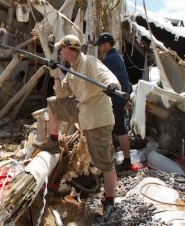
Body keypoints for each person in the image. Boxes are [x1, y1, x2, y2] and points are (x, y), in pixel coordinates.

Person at [33, 34, 120, 210]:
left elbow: (108, 77)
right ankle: (53, 141)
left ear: (67, 48)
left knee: (105, 163)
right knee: (53, 103)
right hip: (83, 112)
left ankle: (110, 200)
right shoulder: (72, 70)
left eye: (61, 49)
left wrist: (112, 86)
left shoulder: (89, 62)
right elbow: (61, 95)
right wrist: (56, 73)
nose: (60, 53)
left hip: (97, 118)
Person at [96, 32, 133, 171]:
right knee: (115, 128)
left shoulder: (110, 58)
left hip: (117, 98)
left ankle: (127, 160)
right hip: (120, 96)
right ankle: (114, 157)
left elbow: (98, 75)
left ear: (106, 44)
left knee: (119, 129)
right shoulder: (116, 55)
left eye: (100, 45)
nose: (99, 48)